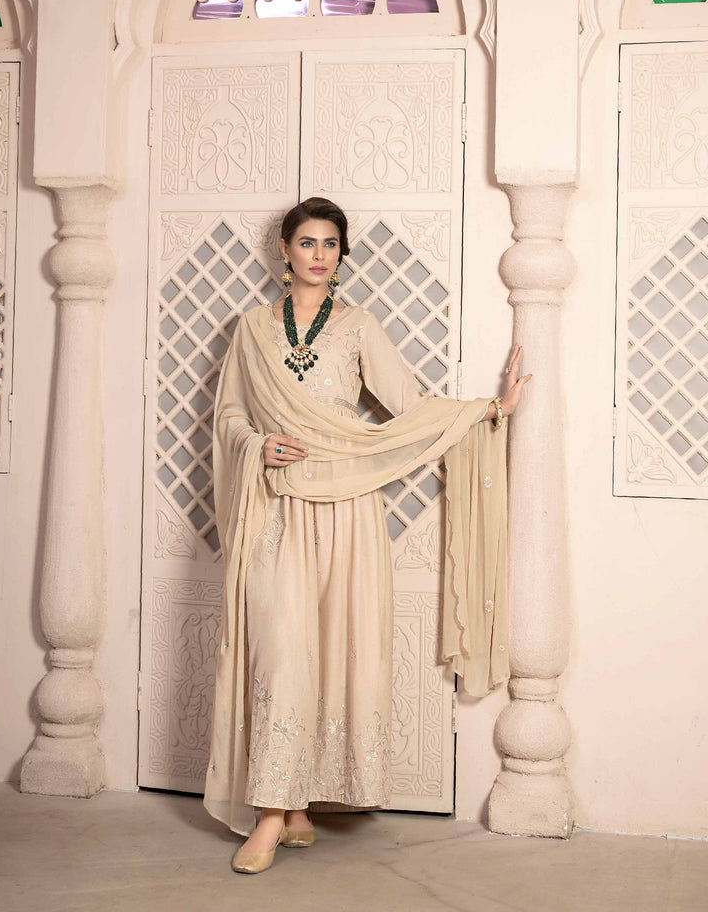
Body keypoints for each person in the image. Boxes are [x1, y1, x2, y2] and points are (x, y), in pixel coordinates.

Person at [203, 196, 531, 874]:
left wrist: (489, 410)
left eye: (330, 244)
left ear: (341, 254)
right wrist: (257, 446)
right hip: (279, 508)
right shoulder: (251, 330)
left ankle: (297, 807)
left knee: (331, 652)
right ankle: (270, 811)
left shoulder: (358, 327)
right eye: (307, 242)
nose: (318, 254)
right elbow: (229, 414)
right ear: (284, 250)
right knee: (280, 651)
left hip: (348, 509)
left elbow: (408, 409)